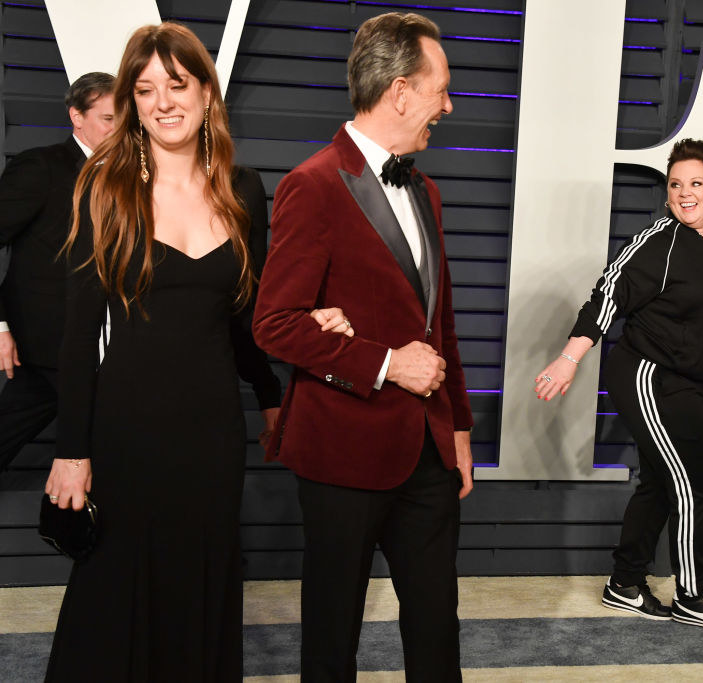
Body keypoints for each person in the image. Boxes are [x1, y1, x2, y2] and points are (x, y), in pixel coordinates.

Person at [43, 22, 281, 680]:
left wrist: (271, 398)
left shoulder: (244, 190)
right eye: (145, 89)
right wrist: (71, 450)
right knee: (114, 591)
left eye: (177, 84)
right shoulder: (106, 186)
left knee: (200, 582)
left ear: (207, 93)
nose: (163, 101)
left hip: (210, 433)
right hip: (125, 432)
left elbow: (245, 319)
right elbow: (77, 332)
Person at [252, 12, 473, 681]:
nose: (449, 104)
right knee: (332, 635)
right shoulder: (312, 184)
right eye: (442, 88)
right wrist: (384, 362)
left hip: (430, 452)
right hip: (342, 451)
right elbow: (275, 322)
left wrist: (460, 428)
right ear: (402, 92)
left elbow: (442, 325)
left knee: (437, 626)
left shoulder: (426, 190)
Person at [535, 139, 703, 631]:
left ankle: (625, 583)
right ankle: (694, 596)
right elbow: (607, 294)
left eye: (696, 183)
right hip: (647, 374)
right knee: (695, 483)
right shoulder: (658, 242)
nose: (685, 193)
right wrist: (570, 359)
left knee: (660, 480)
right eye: (676, 185)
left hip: (693, 383)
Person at [0, 72, 114, 473]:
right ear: (76, 117)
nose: (118, 131)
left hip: (111, 352)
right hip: (47, 348)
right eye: (108, 119)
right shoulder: (41, 167)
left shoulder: (133, 180)